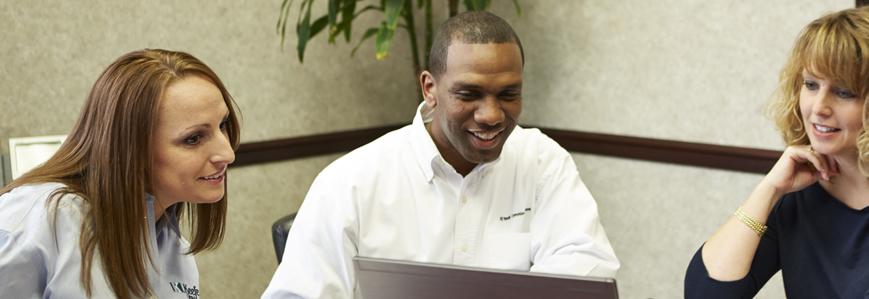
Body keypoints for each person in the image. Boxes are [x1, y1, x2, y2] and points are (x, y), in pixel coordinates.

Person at [263, 11, 619, 298]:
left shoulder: (542, 162)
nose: (491, 115)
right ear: (430, 88)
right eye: (468, 94)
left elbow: (586, 272)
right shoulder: (350, 183)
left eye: (509, 94)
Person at [684, 5, 869, 298]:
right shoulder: (799, 186)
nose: (818, 108)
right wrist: (768, 190)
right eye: (811, 84)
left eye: (844, 92)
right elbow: (705, 294)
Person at [0, 49, 240, 298]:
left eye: (223, 125)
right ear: (130, 148)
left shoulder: (172, 247)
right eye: (193, 139)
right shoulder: (35, 222)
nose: (227, 154)